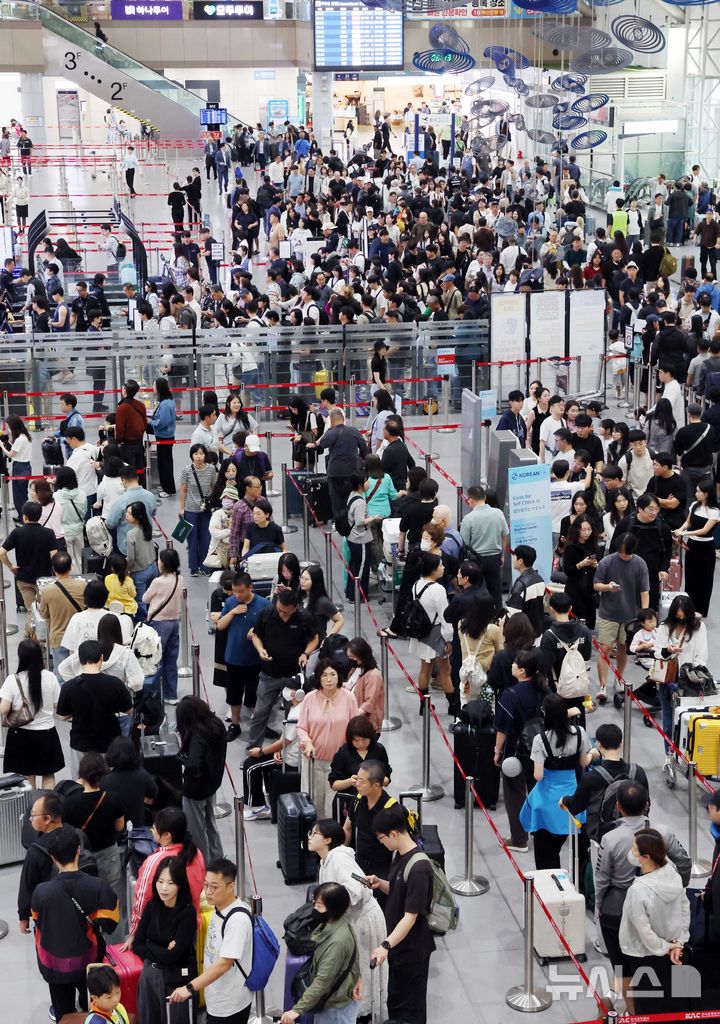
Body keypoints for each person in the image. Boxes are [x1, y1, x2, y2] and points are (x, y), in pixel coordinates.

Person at [31, 826, 119, 1022]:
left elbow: (37, 920)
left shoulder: (40, 892)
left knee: (64, 1013)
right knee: (94, 1009)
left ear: (52, 857)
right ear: (78, 850)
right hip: (88, 960)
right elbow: (111, 925)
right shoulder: (99, 887)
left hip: (52, 963)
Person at [308, 820, 388, 1024]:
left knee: (362, 972)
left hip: (362, 921)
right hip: (349, 922)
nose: (309, 836)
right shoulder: (325, 861)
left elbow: (357, 888)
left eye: (315, 833)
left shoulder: (339, 859)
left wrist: (333, 910)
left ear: (327, 839)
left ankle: (365, 1015)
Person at [367, 804, 436, 1024]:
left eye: (382, 838)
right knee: (396, 1002)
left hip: (412, 950)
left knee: (410, 1009)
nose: (382, 843)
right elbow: (399, 890)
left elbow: (411, 916)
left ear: (394, 833)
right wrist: (381, 884)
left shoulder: (419, 868)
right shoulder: (399, 854)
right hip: (399, 947)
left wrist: (385, 945)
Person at [168, 857, 253, 1024]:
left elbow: (224, 963)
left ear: (231, 887)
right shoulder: (217, 906)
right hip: (217, 997)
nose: (208, 891)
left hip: (231, 1004)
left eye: (214, 887)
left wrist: (190, 988)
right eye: (206, 885)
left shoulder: (237, 921)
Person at [619, 829, 690, 1014]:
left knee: (649, 1007)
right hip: (676, 952)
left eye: (634, 849)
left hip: (648, 957)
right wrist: (678, 943)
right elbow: (685, 908)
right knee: (673, 1005)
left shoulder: (639, 890)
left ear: (646, 857)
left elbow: (644, 932)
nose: (631, 852)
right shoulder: (673, 873)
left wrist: (666, 947)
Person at [519, 693, 593, 868]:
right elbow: (584, 763)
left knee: (546, 856)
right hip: (572, 796)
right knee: (578, 853)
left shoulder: (540, 739)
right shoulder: (580, 734)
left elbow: (538, 776)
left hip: (547, 801)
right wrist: (593, 753)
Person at [280, 880, 361, 1024]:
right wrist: (358, 977)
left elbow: (322, 982)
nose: (314, 909)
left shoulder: (338, 942)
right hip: (332, 1002)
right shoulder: (338, 923)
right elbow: (353, 956)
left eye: (319, 906)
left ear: (332, 909)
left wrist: (296, 1010)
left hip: (335, 1011)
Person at [247, 588, 319, 752]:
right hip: (269, 674)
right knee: (259, 713)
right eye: (279, 610)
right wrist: (260, 650)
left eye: (286, 612)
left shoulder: (304, 618)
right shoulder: (266, 614)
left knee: (293, 716)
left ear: (295, 608)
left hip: (293, 678)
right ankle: (253, 749)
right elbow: (256, 635)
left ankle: (288, 752)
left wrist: (305, 653)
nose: (281, 614)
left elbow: (315, 637)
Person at [493, 650, 549, 853]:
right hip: (542, 751)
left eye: (515, 664)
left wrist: (497, 751)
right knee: (538, 791)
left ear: (523, 670)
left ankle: (519, 839)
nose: (512, 666)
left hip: (516, 754)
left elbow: (503, 729)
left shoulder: (511, 695)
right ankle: (542, 831)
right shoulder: (545, 689)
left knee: (515, 795)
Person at [134, 855, 198, 1024]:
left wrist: (149, 945)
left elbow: (174, 956)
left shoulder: (187, 913)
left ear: (180, 885)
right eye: (160, 881)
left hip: (175, 979)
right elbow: (137, 945)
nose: (163, 888)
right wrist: (157, 947)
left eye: (170, 883)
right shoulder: (151, 906)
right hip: (150, 975)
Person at [561, 723, 648, 843]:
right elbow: (647, 803)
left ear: (599, 745)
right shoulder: (638, 772)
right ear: (621, 743)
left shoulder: (591, 777)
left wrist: (564, 800)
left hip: (603, 837)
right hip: (637, 835)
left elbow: (575, 806)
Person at [62, 752, 125, 918]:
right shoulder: (113, 798)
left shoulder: (69, 801)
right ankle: (115, 940)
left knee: (81, 898)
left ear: (81, 775)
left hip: (80, 856)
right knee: (112, 897)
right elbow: (120, 827)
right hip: (108, 853)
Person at [56, 639, 133, 774]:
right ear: (101, 658)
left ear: (80, 659)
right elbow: (129, 709)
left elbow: (62, 716)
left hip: (80, 742)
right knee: (108, 780)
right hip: (109, 741)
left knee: (81, 781)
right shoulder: (115, 683)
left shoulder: (69, 687)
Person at [128, 806, 206, 939]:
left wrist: (135, 933)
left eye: (154, 826)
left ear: (167, 835)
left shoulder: (156, 861)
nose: (152, 829)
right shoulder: (195, 853)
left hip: (161, 932)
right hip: (189, 926)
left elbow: (142, 900)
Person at [654, 594, 708, 780]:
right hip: (667, 681)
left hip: (689, 684)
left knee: (688, 726)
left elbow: (702, 657)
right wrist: (668, 651)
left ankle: (689, 762)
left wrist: (690, 673)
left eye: (684, 617)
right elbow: (657, 651)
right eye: (677, 617)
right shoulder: (664, 627)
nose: (681, 619)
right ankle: (669, 757)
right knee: (668, 725)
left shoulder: (699, 628)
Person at [296, 659, 360, 818]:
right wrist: (307, 742)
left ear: (339, 676)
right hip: (314, 761)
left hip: (338, 764)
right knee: (314, 803)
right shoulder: (310, 698)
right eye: (324, 675)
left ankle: (334, 839)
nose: (329, 679)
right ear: (318, 678)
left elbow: (355, 728)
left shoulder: (349, 698)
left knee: (334, 805)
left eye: (333, 674)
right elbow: (301, 727)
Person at [594, 533, 650, 704]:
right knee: (604, 648)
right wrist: (607, 587)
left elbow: (644, 591)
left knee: (623, 648)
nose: (623, 555)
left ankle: (618, 677)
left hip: (630, 615)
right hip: (608, 613)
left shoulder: (640, 564)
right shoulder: (607, 561)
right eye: (621, 552)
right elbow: (596, 584)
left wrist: (645, 614)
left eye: (627, 553)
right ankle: (602, 685)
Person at [0, 638, 64, 788]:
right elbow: (57, 704)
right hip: (47, 732)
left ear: (21, 657)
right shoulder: (50, 677)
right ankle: (48, 808)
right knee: (48, 774)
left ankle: (32, 810)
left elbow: (3, 709)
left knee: (28, 777)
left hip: (21, 735)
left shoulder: (12, 680)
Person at [215, 571, 270, 741]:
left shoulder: (263, 605)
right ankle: (235, 724)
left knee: (256, 695)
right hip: (234, 658)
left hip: (255, 659)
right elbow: (220, 626)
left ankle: (259, 725)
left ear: (250, 588)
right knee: (234, 694)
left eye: (241, 591)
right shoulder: (231, 602)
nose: (237, 595)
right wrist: (233, 612)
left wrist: (256, 630)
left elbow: (271, 628)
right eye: (235, 591)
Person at [175, 695, 227, 864]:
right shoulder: (217, 725)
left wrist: (182, 757)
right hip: (212, 784)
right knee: (210, 824)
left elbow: (193, 763)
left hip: (195, 789)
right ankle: (217, 858)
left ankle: (201, 865)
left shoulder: (198, 735)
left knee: (196, 831)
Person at [408, 552, 458, 715]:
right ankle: (453, 704)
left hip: (421, 632)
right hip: (437, 633)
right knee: (445, 670)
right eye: (440, 566)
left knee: (425, 668)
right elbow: (446, 616)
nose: (443, 568)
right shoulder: (438, 589)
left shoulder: (416, 585)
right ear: (433, 570)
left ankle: (424, 703)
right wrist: (449, 638)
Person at [308, 409, 369, 517]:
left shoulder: (331, 432)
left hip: (335, 472)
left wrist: (313, 444)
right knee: (352, 498)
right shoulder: (354, 431)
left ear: (331, 421)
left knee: (337, 500)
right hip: (352, 472)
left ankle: (338, 523)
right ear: (343, 419)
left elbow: (321, 445)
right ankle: (353, 520)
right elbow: (364, 450)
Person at [142, 547, 184, 705]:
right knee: (171, 660)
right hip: (174, 622)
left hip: (159, 622)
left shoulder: (158, 582)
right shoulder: (179, 579)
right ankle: (171, 695)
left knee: (155, 660)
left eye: (159, 560)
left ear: (164, 564)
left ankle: (155, 694)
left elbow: (146, 599)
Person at [0, 500, 57, 611]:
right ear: (40, 515)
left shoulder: (17, 533)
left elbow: (1, 553)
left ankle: (31, 628)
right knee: (46, 611)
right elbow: (54, 557)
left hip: (24, 578)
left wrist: (10, 566)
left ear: (24, 516)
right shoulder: (49, 533)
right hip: (44, 579)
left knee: (32, 612)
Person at [459, 485, 509, 613]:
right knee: (495, 591)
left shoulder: (468, 519)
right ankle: (498, 617)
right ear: (485, 497)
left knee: (474, 590)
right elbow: (504, 535)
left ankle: (476, 617)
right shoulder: (498, 513)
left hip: (476, 559)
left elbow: (464, 543)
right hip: (494, 557)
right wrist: (502, 555)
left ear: (470, 500)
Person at [674, 480, 720, 616]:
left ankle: (701, 609)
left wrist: (684, 533)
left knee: (705, 578)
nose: (696, 493)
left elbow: (705, 530)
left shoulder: (714, 511)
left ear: (706, 494)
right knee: (691, 576)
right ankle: (688, 608)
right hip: (692, 545)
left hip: (706, 547)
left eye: (698, 491)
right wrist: (681, 528)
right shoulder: (694, 505)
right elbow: (688, 522)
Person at [39, 550, 87, 675]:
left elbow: (44, 614)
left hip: (58, 637)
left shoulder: (47, 591)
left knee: (61, 675)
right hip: (80, 635)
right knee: (81, 672)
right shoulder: (82, 586)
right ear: (71, 567)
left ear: (53, 569)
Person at [101, 736, 158, 830]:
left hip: (114, 828)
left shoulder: (106, 780)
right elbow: (154, 792)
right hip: (137, 826)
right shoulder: (142, 774)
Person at [179, 443, 218, 575]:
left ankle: (205, 565)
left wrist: (213, 504)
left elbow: (214, 487)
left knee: (206, 538)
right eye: (196, 454)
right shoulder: (186, 470)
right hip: (190, 509)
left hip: (206, 509)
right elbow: (183, 490)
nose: (199, 457)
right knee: (192, 539)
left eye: (201, 454)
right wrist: (181, 508)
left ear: (205, 455)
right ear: (192, 456)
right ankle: (194, 567)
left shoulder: (211, 469)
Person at [105, 465, 157, 557]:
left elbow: (110, 523)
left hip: (126, 548)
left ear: (124, 481)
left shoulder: (121, 500)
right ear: (137, 478)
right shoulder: (150, 496)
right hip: (146, 543)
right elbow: (153, 513)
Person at [561, 515, 599, 630]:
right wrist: (580, 564)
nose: (587, 533)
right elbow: (568, 570)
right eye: (584, 530)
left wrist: (595, 565)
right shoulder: (570, 547)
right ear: (577, 529)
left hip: (589, 586)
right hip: (575, 588)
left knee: (589, 621)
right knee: (576, 621)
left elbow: (598, 566)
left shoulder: (592, 544)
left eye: (589, 529)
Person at [344, 472, 374, 602]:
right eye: (366, 480)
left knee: (354, 565)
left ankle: (351, 592)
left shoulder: (352, 496)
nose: (368, 483)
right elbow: (360, 521)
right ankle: (358, 595)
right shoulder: (360, 502)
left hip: (353, 538)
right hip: (360, 539)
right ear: (360, 485)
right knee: (361, 567)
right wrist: (373, 518)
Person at [345, 637, 385, 734]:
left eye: (353, 657)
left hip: (366, 727)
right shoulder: (356, 669)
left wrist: (351, 716)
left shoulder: (373, 676)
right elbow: (352, 685)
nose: (351, 660)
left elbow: (369, 703)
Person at [506, 544, 546, 636]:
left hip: (524, 634)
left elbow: (513, 613)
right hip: (538, 630)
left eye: (514, 557)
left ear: (520, 561)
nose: (512, 559)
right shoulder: (540, 579)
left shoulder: (520, 584)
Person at [125, 501, 158, 610]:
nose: (126, 515)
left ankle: (144, 622)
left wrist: (127, 570)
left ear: (137, 517)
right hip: (153, 568)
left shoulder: (131, 534)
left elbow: (130, 558)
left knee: (141, 601)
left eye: (130, 513)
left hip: (139, 572)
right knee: (152, 599)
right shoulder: (147, 527)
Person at [299, 564, 344, 644]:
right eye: (301, 578)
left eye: (306, 579)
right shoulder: (300, 596)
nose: (302, 581)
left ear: (315, 581)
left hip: (316, 646)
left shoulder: (323, 602)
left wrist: (327, 639)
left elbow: (339, 620)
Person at [0, 413, 33, 517]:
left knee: (19, 496)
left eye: (9, 426)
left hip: (19, 467)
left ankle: (24, 519)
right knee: (22, 494)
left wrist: (1, 446)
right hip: (26, 466)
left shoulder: (20, 439)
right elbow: (16, 449)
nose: (8, 428)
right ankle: (22, 516)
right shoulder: (26, 436)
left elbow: (10, 454)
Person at [149, 377, 177, 497]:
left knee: (165, 463)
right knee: (165, 461)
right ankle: (166, 485)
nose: (153, 387)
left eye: (154, 385)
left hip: (164, 436)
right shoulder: (166, 401)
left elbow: (162, 422)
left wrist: (150, 422)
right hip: (165, 435)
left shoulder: (165, 404)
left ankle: (169, 489)